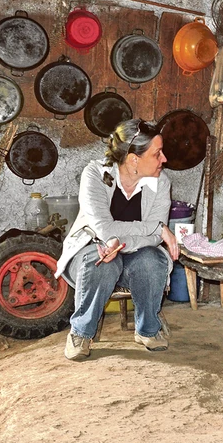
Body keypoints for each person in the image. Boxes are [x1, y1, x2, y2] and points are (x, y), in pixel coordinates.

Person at [57, 119, 179, 361]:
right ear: (134, 159)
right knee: (103, 261)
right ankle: (81, 332)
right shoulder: (95, 173)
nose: (164, 159)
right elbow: (104, 228)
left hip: (134, 254)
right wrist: (154, 227)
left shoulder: (161, 182)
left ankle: (147, 330)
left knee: (152, 260)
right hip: (91, 250)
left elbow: (154, 238)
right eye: (157, 154)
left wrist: (122, 243)